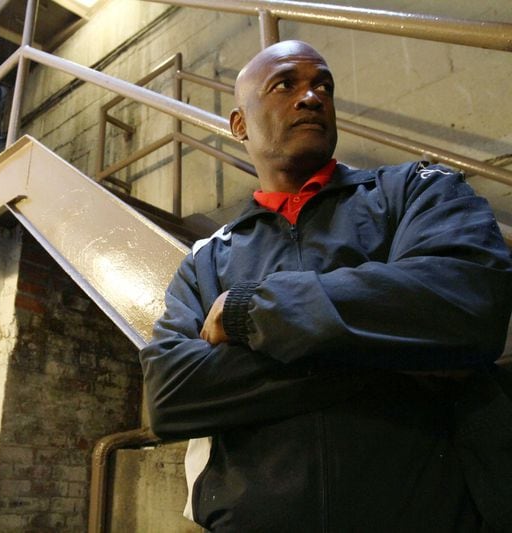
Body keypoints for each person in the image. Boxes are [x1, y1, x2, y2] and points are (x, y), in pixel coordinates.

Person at [139, 40, 512, 532]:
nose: (312, 96)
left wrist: (255, 310)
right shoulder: (208, 258)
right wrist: (398, 350)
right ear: (239, 124)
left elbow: (467, 301)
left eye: (324, 86)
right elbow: (170, 395)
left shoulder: (416, 190)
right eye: (285, 84)